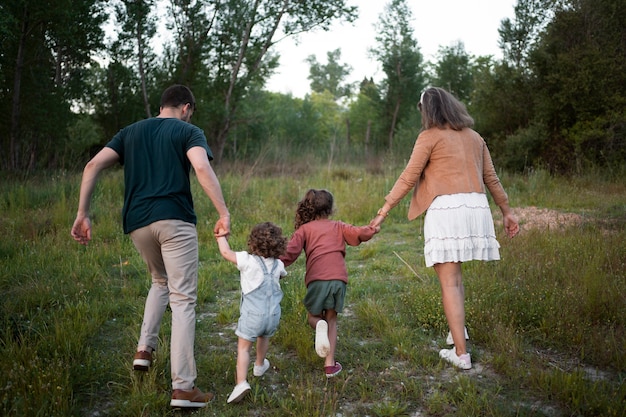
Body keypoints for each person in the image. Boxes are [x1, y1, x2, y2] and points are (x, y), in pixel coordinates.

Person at [71, 85, 230, 407]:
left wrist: (82, 214)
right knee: (183, 299)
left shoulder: (130, 132)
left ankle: (144, 349)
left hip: (137, 223)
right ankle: (184, 387)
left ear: (162, 105)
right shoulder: (188, 131)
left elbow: (92, 166)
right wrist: (224, 212)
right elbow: (201, 167)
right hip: (174, 220)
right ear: (186, 107)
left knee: (160, 281)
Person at [370, 87, 519, 370]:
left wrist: (384, 211)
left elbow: (408, 177)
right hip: (476, 206)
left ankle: (461, 355)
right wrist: (507, 212)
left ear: (429, 111)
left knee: (449, 282)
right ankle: (457, 331)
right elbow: (492, 178)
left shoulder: (429, 137)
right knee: (457, 278)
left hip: (448, 210)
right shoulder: (475, 137)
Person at [280, 189, 380, 377]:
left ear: (309, 208)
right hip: (338, 280)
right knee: (332, 320)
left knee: (314, 317)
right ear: (331, 209)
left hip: (317, 280)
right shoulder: (339, 226)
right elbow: (359, 233)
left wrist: (272, 265)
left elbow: (289, 253)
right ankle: (330, 366)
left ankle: (318, 324)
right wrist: (372, 229)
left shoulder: (304, 230)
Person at [215, 222, 288, 403]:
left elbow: (226, 253)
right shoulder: (278, 264)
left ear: (253, 243)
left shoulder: (247, 260)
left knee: (243, 348)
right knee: (264, 337)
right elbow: (283, 274)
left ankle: (241, 383)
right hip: (272, 316)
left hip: (252, 316)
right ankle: (259, 365)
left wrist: (220, 237)